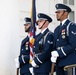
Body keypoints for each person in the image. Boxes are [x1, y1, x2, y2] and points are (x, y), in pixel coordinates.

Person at [51, 3, 76, 75]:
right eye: (56, 12)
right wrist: (54, 55)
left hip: (69, 62)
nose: (57, 14)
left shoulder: (71, 26)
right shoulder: (57, 29)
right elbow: (55, 46)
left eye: (59, 12)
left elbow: (73, 44)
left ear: (66, 13)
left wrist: (59, 53)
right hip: (59, 62)